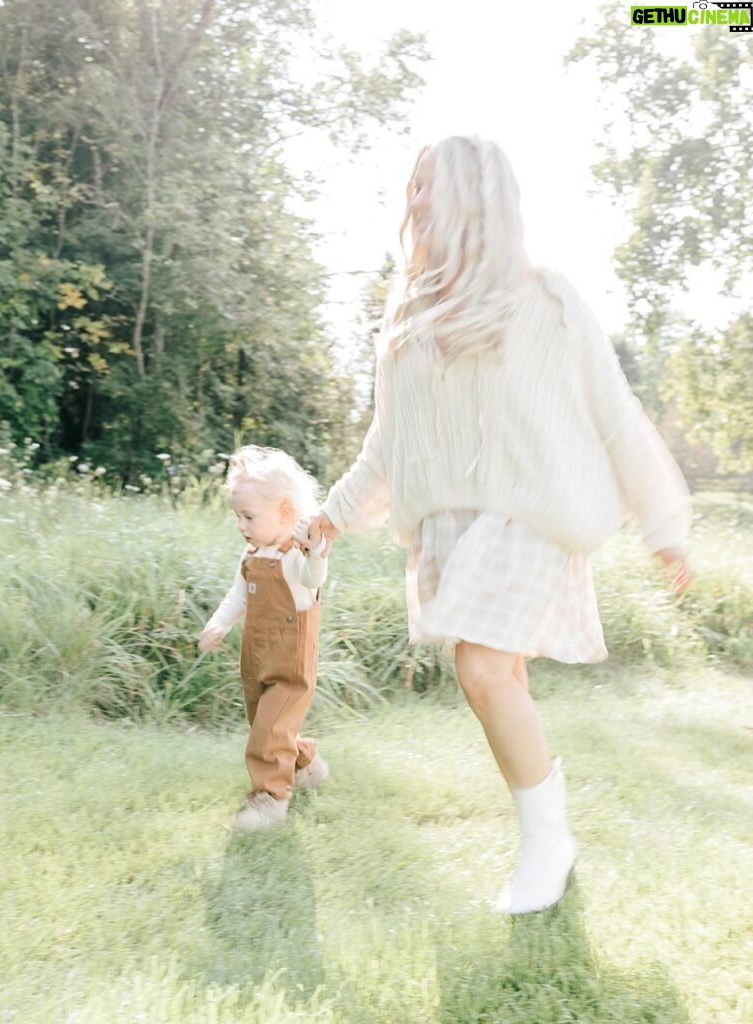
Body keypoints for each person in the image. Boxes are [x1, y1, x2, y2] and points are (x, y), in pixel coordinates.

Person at [309, 135, 691, 914]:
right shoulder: (408, 316)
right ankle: (552, 833)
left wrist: (663, 523)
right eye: (410, 188)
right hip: (451, 524)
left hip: (533, 518)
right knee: (498, 680)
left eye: (428, 187)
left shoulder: (547, 299)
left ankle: (544, 844)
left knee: (481, 670)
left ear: (475, 197)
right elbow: (389, 441)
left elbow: (614, 415)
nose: (413, 202)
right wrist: (332, 516)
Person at [199, 445, 330, 832]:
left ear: (285, 512)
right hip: (256, 658)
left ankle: (270, 800)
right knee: (265, 724)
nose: (242, 524)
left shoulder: (297, 556)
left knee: (270, 730)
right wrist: (218, 623)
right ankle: (305, 764)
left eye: (249, 516)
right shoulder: (252, 554)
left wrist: (318, 555)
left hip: (290, 661)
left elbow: (312, 580)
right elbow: (238, 595)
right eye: (238, 516)